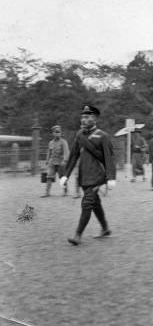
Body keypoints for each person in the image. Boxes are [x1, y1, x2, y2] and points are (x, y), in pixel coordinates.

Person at [60, 105, 116, 246]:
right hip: (84, 177)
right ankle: (105, 228)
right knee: (95, 203)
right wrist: (65, 175)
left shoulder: (103, 136)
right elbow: (73, 156)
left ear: (95, 118)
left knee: (86, 203)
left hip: (97, 177)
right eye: (82, 117)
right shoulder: (79, 135)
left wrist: (111, 177)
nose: (83, 120)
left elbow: (109, 158)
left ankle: (78, 235)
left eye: (87, 117)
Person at [41, 125, 70, 197]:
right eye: (56, 132)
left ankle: (65, 191)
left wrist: (65, 160)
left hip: (61, 162)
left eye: (59, 132)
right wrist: (47, 160)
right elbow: (49, 152)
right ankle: (47, 193)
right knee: (49, 176)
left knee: (62, 177)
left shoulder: (63, 142)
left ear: (61, 133)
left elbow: (66, 152)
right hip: (52, 162)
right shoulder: (50, 143)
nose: (57, 134)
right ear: (53, 133)